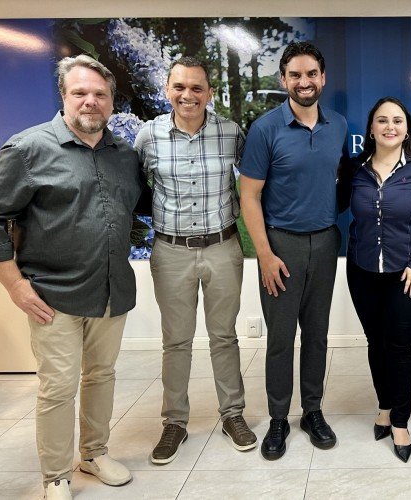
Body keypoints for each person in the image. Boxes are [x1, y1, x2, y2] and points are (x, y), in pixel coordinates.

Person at [0, 55, 142, 500]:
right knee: (59, 387)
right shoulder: (28, 149)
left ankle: (94, 453)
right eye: (80, 92)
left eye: (100, 94)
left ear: (110, 101)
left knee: (101, 375)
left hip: (110, 289)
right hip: (52, 295)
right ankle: (56, 476)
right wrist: (14, 285)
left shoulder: (123, 154)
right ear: (64, 96)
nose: (91, 101)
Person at [135, 56, 256, 464]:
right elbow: (133, 188)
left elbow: (254, 186)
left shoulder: (230, 133)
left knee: (225, 336)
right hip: (170, 251)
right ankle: (174, 423)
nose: (188, 95)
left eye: (197, 88)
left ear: (210, 92)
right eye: (179, 87)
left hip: (223, 248)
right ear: (167, 89)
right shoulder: (148, 136)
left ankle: (233, 414)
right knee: (177, 341)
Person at [239, 41, 348, 460]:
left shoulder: (337, 124)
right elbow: (249, 197)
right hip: (280, 245)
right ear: (283, 80)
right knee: (282, 339)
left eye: (312, 74)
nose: (304, 82)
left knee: (317, 336)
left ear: (323, 78)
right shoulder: (266, 128)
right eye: (296, 75)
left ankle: (313, 411)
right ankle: (280, 418)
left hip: (325, 242)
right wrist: (265, 255)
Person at [340, 97, 411, 462]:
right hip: (362, 271)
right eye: (382, 120)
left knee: (400, 347)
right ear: (372, 128)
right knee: (375, 342)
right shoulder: (355, 170)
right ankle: (382, 405)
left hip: (407, 273)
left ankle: (399, 420)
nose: (390, 126)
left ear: (407, 128)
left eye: (397, 120)